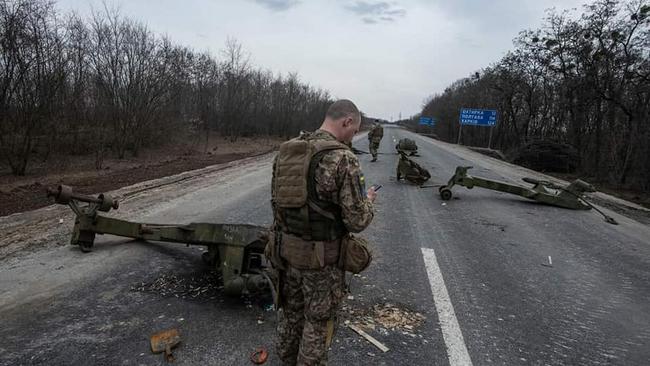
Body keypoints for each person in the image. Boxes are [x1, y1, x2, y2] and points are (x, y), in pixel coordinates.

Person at [270, 99, 377, 365]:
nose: (353, 136)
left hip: (286, 253)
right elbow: (356, 220)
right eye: (354, 130)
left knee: (290, 313)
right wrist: (369, 202)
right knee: (317, 322)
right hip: (321, 263)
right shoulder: (342, 158)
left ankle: (285, 360)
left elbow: (277, 204)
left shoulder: (286, 151)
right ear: (347, 122)